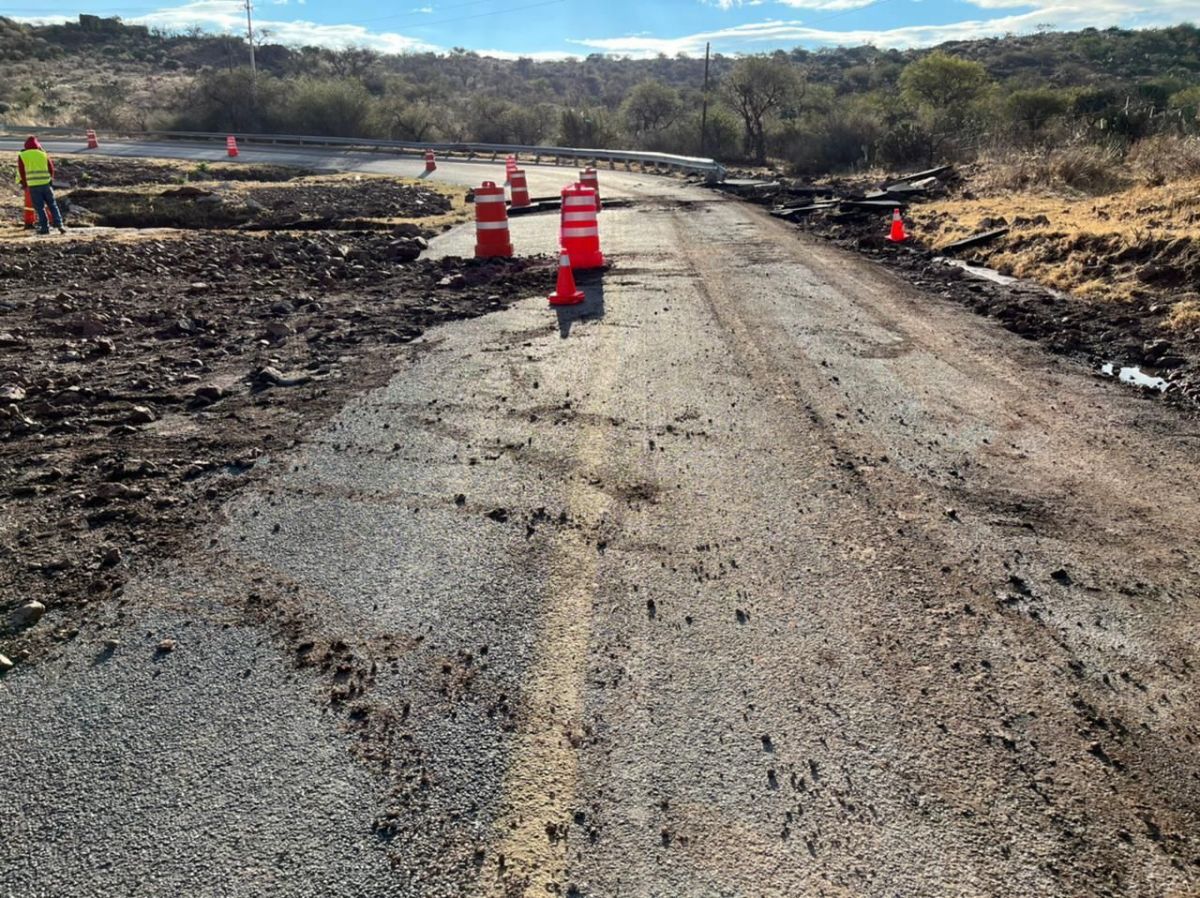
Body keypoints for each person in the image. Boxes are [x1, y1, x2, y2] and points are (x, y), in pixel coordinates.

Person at [17, 136, 65, 236]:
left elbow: (22, 171)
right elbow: (51, 168)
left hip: (33, 186)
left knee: (40, 208)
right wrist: (50, 179)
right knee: (52, 205)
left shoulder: (22, 155)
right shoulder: (43, 154)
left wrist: (25, 184)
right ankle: (60, 225)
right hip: (46, 184)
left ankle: (45, 228)